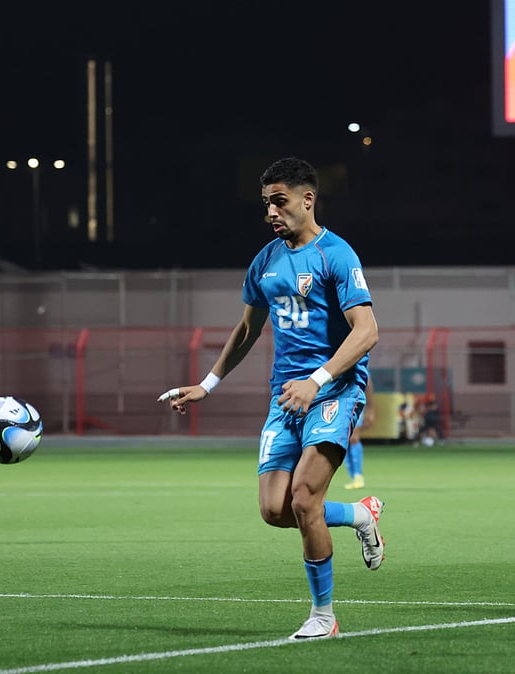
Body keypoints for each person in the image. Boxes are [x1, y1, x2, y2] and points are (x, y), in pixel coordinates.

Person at [158, 157, 384, 639]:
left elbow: (366, 332)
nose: (271, 213)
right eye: (266, 204)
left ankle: (323, 617)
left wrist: (317, 380)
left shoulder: (337, 254)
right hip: (285, 399)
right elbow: (246, 329)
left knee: (305, 498)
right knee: (274, 510)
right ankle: (361, 514)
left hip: (333, 391)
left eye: (279, 202)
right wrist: (208, 384)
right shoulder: (265, 260)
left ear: (308, 199)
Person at [343, 379, 373, 489]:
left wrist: (371, 409)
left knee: (353, 438)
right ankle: (353, 476)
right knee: (344, 439)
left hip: (355, 402)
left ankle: (358, 476)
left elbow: (368, 385)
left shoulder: (357, 363)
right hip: (341, 403)